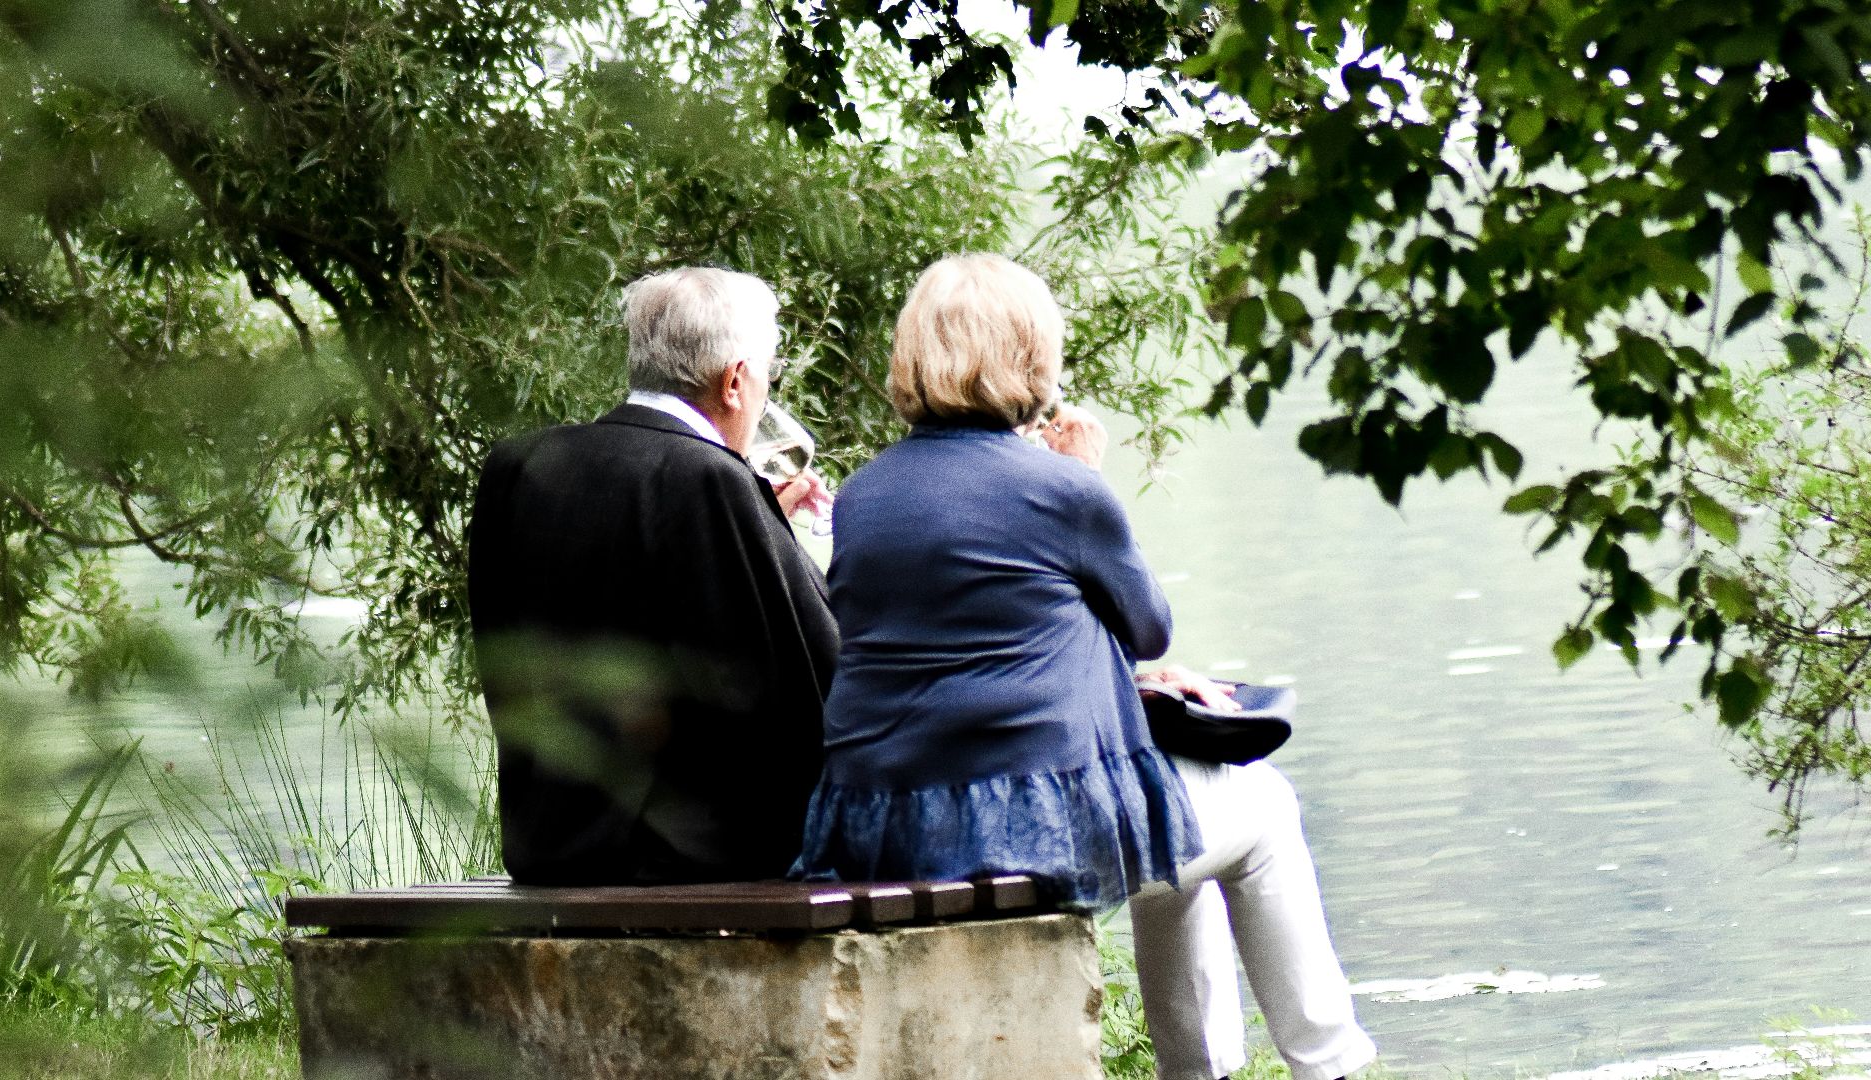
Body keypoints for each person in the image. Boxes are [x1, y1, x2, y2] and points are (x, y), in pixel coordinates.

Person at [791, 253, 1375, 1080]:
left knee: (1177, 816)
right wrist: (1085, 478)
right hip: (1024, 830)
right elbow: (1149, 629)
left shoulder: (864, 496)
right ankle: (1331, 1066)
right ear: (1033, 356)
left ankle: (1199, 1072)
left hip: (883, 824)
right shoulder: (1062, 491)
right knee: (1264, 808)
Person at [466, 266, 836, 886]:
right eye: (768, 375)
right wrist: (797, 549)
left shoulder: (519, 467)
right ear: (737, 381)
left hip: (548, 846)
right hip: (691, 860)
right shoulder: (711, 481)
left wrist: (762, 518)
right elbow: (810, 678)